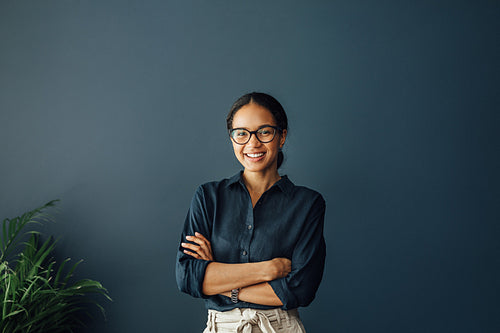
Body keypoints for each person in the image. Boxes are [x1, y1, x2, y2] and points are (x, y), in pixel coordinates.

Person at [176, 92, 326, 333]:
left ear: (282, 136)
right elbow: (187, 277)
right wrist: (269, 270)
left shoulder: (308, 203)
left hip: (279, 328)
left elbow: (301, 289)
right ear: (232, 139)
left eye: (264, 132)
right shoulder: (208, 197)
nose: (252, 143)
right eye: (242, 133)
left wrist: (217, 277)